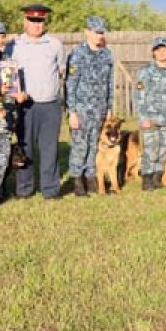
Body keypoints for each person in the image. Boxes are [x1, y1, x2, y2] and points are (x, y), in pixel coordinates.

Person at [8, 4, 65, 200]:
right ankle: (25, 188)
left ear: (44, 22)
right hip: (25, 106)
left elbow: (60, 71)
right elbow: (8, 74)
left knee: (50, 148)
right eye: (32, 20)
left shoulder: (55, 45)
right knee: (25, 148)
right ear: (25, 22)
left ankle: (50, 188)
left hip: (50, 105)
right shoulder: (14, 45)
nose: (36, 25)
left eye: (40, 21)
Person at [65, 16, 115, 196]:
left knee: (94, 145)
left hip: (100, 110)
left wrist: (109, 108)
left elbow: (110, 82)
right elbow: (71, 84)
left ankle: (92, 178)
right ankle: (78, 181)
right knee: (80, 146)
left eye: (101, 32)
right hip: (81, 110)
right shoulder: (77, 54)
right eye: (96, 32)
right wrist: (72, 112)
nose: (99, 36)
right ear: (87, 32)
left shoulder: (106, 54)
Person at [134, 36, 166, 191]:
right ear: (153, 52)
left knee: (163, 150)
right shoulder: (145, 72)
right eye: (159, 50)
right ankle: (147, 179)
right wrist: (143, 118)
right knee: (150, 149)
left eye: (165, 49)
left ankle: (158, 177)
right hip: (150, 118)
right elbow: (139, 96)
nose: (162, 52)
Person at [0, 21, 26, 202]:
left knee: (3, 153)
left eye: (2, 36)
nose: (0, 39)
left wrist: (19, 95)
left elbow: (16, 86)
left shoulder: (9, 62)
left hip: (7, 113)